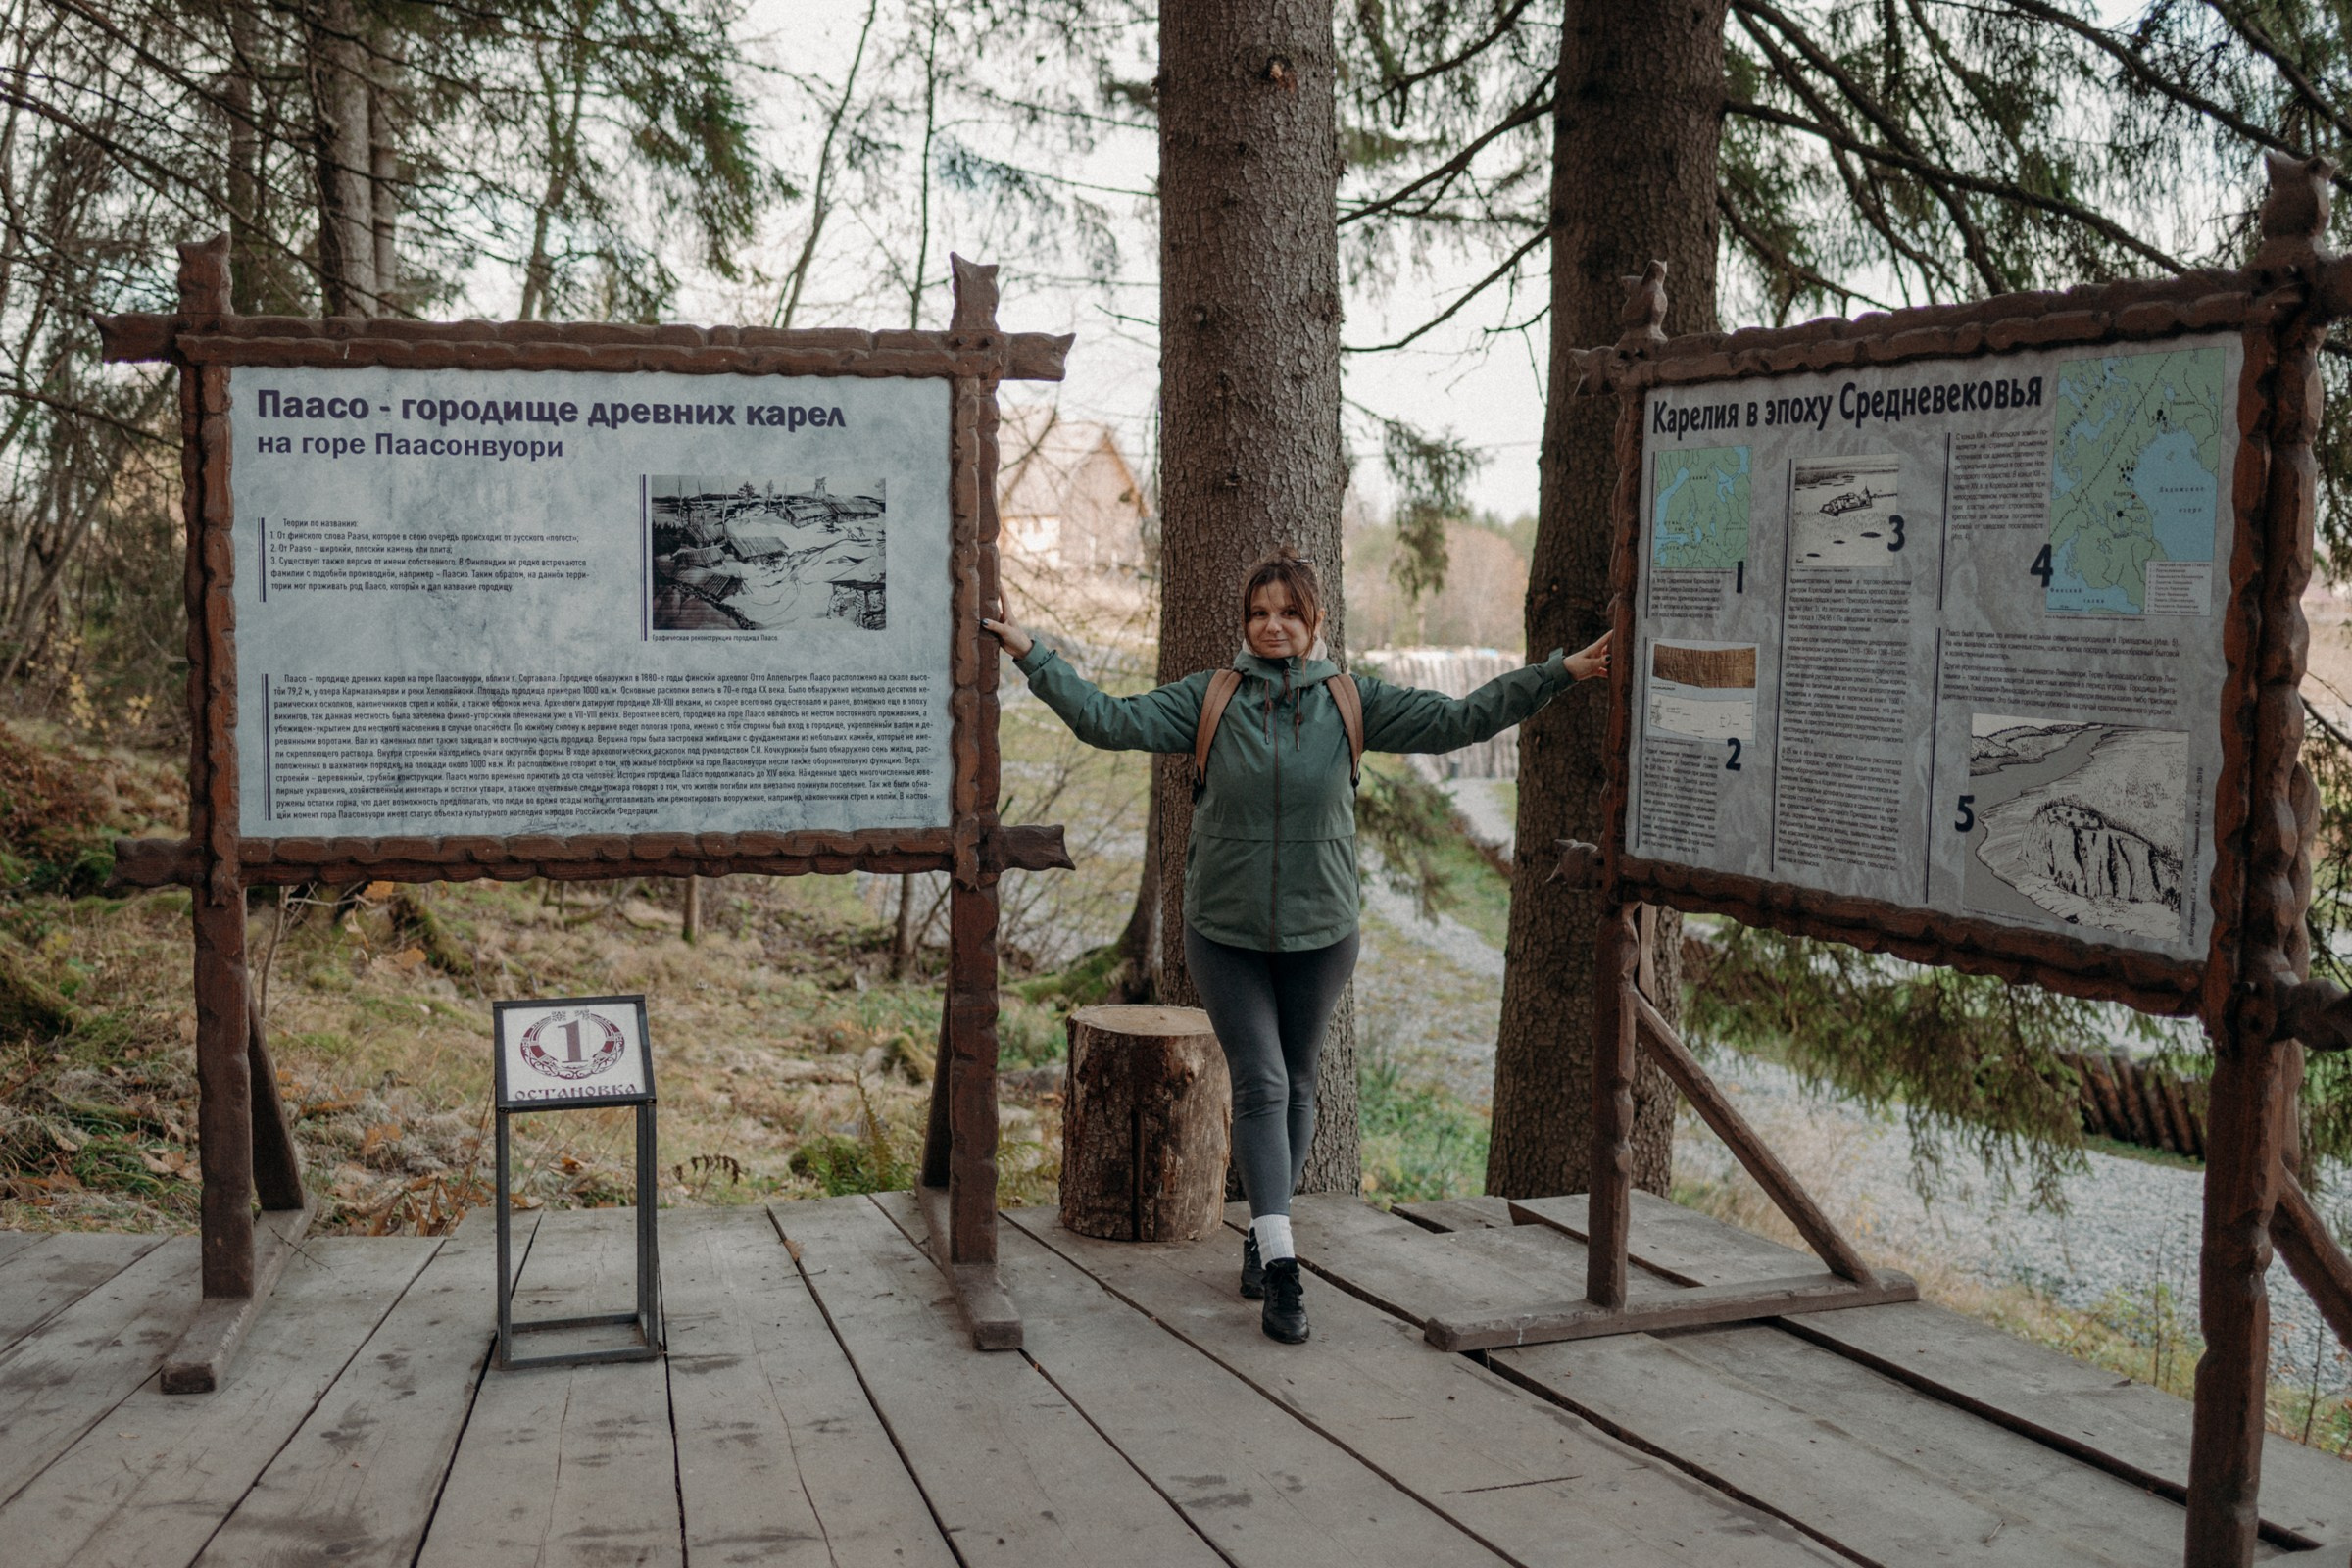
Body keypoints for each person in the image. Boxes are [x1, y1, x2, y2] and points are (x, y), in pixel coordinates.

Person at [982, 547, 1609, 1343]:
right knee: (1264, 1084)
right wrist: (1030, 652)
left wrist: (1561, 672)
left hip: (1323, 931)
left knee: (1302, 1082)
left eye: (1288, 613)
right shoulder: (1211, 699)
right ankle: (1283, 1267)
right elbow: (1107, 720)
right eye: (1259, 613)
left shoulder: (1352, 700)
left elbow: (1462, 721)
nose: (1272, 626)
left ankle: (1261, 1230)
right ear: (1245, 622)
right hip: (1225, 930)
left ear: (1315, 622)